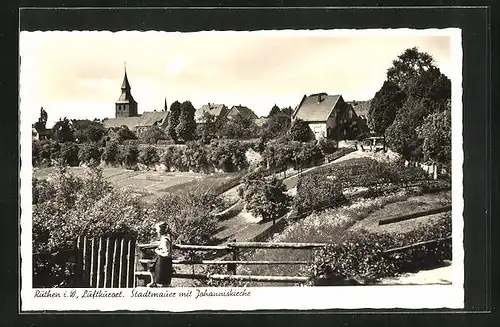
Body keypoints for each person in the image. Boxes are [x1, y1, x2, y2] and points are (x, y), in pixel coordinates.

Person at [148, 222, 173, 287]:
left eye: (157, 229)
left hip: (164, 261)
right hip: (164, 260)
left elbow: (167, 253)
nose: (156, 230)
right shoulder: (165, 237)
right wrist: (158, 243)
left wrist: (157, 251)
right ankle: (153, 282)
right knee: (151, 265)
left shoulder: (164, 239)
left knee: (163, 282)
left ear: (161, 230)